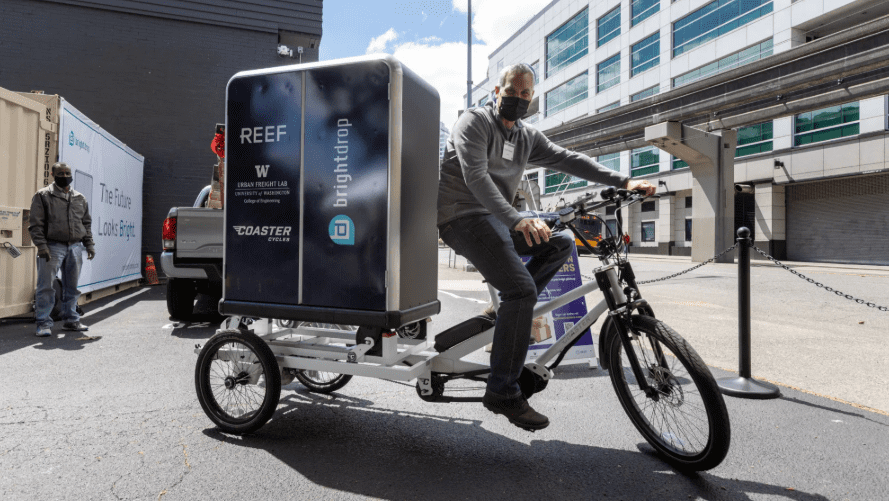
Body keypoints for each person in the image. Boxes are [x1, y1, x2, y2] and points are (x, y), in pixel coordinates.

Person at [437, 63, 655, 431]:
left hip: (499, 218)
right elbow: (475, 177)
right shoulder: (474, 123)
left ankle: (504, 311)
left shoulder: (525, 136)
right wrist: (518, 219)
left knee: (562, 241)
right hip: (462, 216)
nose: (518, 99)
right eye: (512, 91)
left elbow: (568, 159)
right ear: (496, 92)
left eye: (526, 94)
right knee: (521, 290)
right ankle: (502, 391)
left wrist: (626, 179)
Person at [28, 162, 96, 337]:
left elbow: (86, 224)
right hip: (52, 246)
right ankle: (43, 323)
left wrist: (89, 245)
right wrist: (42, 246)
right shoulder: (43, 196)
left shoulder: (80, 198)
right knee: (46, 286)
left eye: (68, 173)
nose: (65, 176)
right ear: (52, 174)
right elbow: (36, 224)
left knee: (72, 287)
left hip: (75, 247)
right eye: (61, 173)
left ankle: (71, 320)